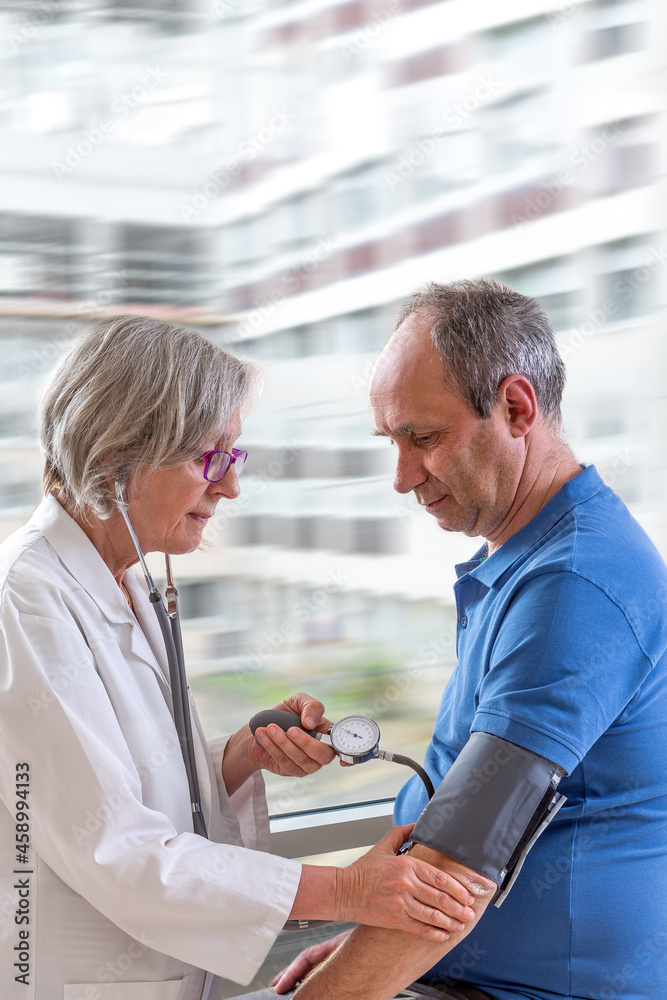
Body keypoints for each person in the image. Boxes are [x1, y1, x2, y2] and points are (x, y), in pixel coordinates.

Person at [0, 315, 477, 1000]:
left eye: (234, 458)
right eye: (209, 459)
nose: (229, 487)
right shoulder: (25, 601)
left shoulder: (126, 582)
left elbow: (135, 781)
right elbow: (113, 848)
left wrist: (240, 755)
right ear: (115, 459)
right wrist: (348, 890)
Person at [242, 279, 667, 1000]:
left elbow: (460, 858)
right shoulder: (526, 561)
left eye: (424, 438)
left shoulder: (573, 585)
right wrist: (364, 946)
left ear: (516, 408)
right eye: (392, 442)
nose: (402, 477)